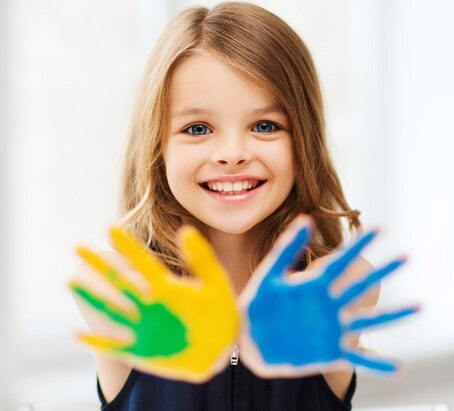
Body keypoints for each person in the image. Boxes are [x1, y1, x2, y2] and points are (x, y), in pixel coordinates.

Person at [72, 2, 381, 410]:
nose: (232, 153)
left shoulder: (331, 288)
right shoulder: (122, 289)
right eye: (197, 129)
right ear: (157, 147)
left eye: (265, 126)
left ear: (302, 140)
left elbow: (351, 280)